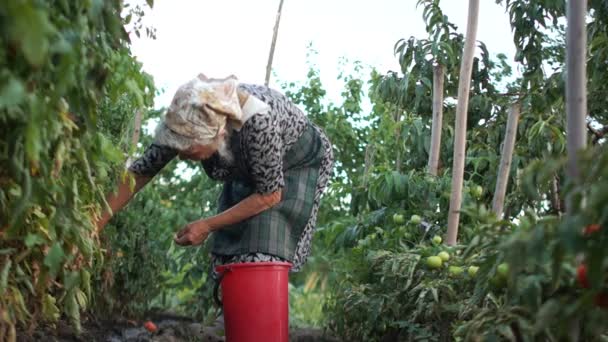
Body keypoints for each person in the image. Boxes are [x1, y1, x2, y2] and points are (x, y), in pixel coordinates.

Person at [96, 74, 334, 273]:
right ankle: (236, 323)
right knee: (230, 255)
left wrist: (207, 225)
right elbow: (139, 173)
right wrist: (93, 227)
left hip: (298, 164)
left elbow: (269, 195)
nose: (181, 156)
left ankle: (264, 326)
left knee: (263, 255)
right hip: (255, 169)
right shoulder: (185, 119)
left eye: (189, 151)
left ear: (219, 135)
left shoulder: (259, 123)